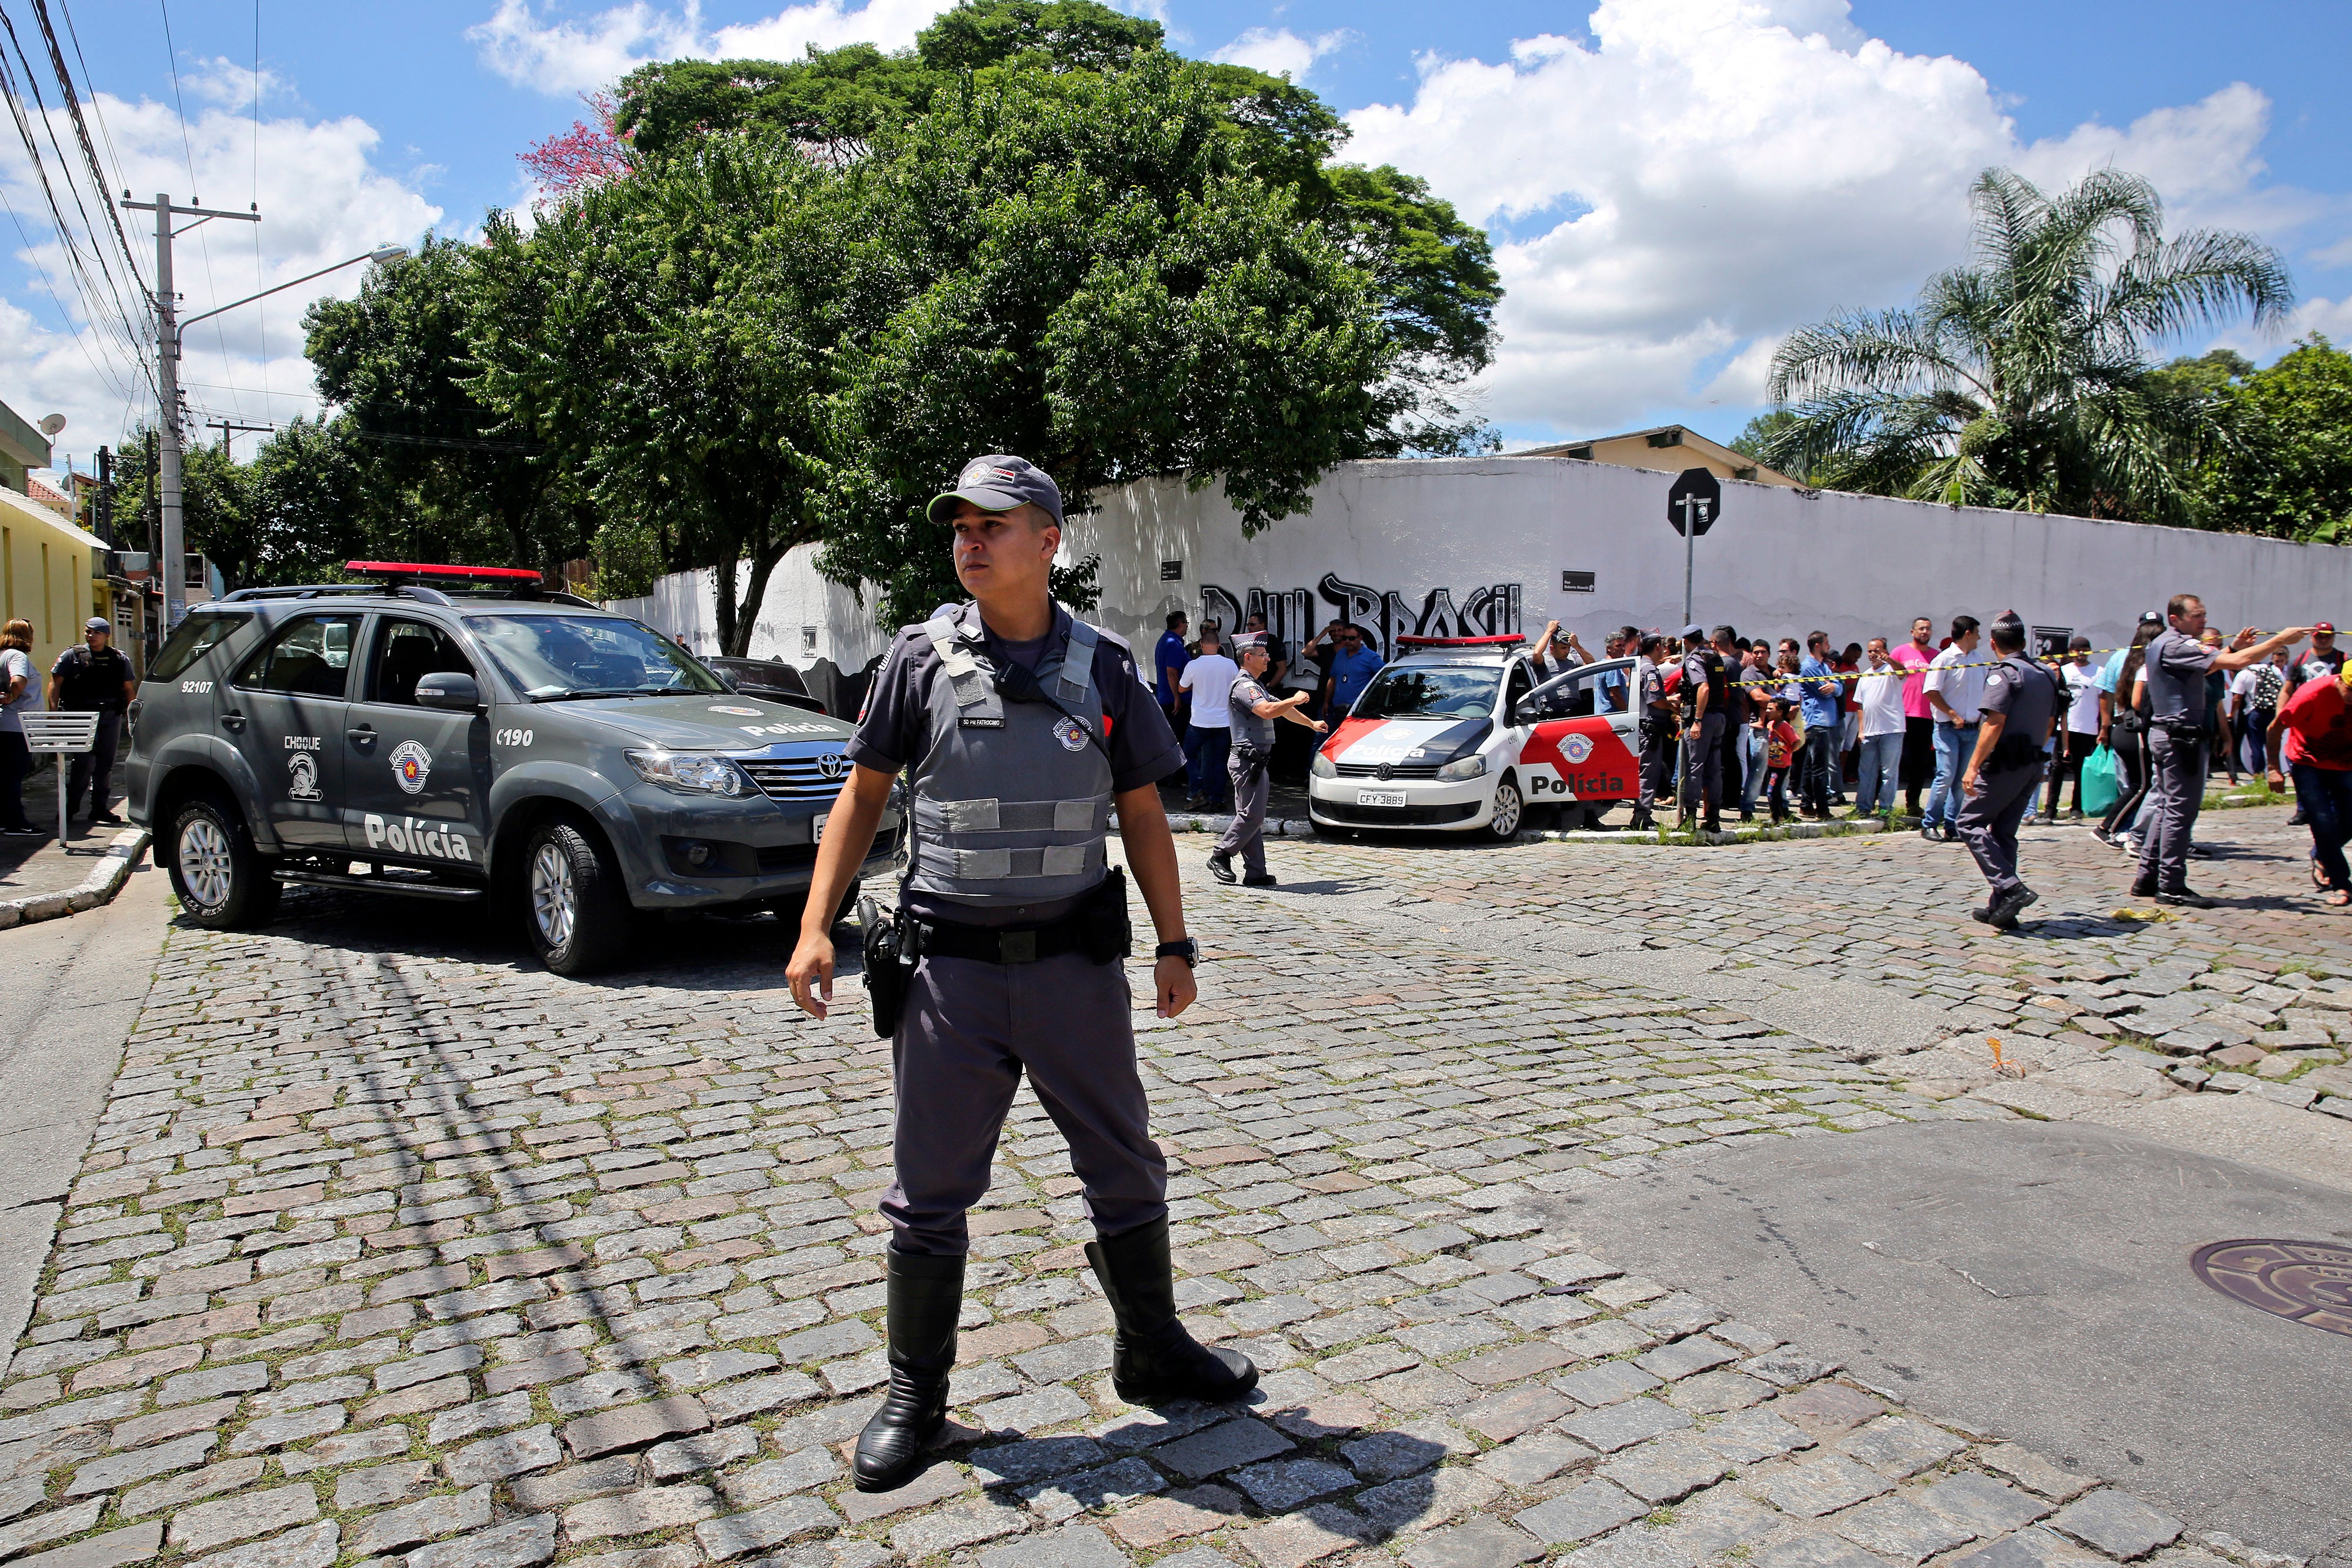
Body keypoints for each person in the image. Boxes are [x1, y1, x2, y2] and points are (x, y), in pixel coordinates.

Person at [784, 454, 1252, 1495]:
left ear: (1048, 540)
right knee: (928, 1189)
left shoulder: (1109, 666)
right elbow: (862, 796)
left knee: (1125, 1161)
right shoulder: (916, 661)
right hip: (949, 975)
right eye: (960, 524)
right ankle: (916, 1396)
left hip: (1075, 970)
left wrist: (1175, 943)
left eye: (992, 523)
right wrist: (816, 925)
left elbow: (1142, 811)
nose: (970, 540)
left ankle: (1153, 1345)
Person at [2129, 595, 2307, 907]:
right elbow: (2235, 665)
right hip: (2180, 738)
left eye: (2204, 615)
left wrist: (2234, 648)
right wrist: (2280, 640)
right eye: (2197, 615)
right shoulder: (2179, 644)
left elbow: (2209, 667)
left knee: (2167, 807)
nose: (2203, 620)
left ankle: (2148, 877)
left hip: (2170, 734)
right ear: (2175, 619)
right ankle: (2171, 884)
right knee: (2180, 811)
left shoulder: (2168, 644)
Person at [1957, 615, 2060, 928]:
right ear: (2024, 641)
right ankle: (2003, 908)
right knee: (2004, 832)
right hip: (2032, 763)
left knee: (1968, 823)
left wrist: (1973, 766)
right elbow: (2050, 722)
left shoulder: (2005, 673)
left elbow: (1994, 722)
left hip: (2004, 764)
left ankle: (2011, 888)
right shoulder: (2045, 673)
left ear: (1993, 643)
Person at [1210, 636, 1325, 887]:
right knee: (1253, 816)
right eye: (1263, 655)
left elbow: (1282, 709)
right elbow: (1266, 711)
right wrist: (1294, 699)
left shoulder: (1256, 685)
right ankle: (1221, 854)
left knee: (1250, 815)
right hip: (1247, 761)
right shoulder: (1244, 686)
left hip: (1254, 761)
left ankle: (1256, 873)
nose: (1268, 658)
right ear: (1248, 657)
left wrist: (1311, 724)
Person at [2267, 660, 2352, 907]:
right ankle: (2341, 883)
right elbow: (2275, 729)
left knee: (2349, 820)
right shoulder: (2311, 694)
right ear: (2340, 680)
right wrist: (2273, 769)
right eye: (2350, 690)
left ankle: (2321, 854)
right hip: (2307, 762)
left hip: (2345, 762)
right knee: (2322, 822)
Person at [48, 617, 135, 826]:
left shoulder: (118, 658)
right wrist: (53, 713)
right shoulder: (72, 656)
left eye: (96, 632)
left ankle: (99, 808)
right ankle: (71, 807)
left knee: (105, 764)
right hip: (80, 716)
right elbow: (55, 684)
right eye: (88, 632)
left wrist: (133, 716)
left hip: (110, 717)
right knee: (83, 763)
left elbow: (129, 689)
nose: (91, 636)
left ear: (107, 636)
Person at [1920, 616, 1985, 841]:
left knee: (1962, 781)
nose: (1979, 638)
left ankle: (1952, 825)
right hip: (1948, 728)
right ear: (1968, 634)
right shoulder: (1944, 659)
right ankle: (1929, 823)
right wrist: (1952, 714)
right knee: (1945, 776)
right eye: (1977, 633)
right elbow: (1931, 691)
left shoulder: (1978, 659)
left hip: (1973, 729)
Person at [2096, 619, 2159, 849]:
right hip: (2134, 730)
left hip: (2123, 727)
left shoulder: (2130, 662)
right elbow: (2135, 701)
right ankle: (2108, 828)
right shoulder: (2144, 667)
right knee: (2139, 786)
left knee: (2138, 785)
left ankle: (2127, 830)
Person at [2038, 636, 2103, 823]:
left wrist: (2103, 728)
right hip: (2064, 727)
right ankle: (2050, 809)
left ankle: (2077, 807)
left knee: (2081, 769)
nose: (2081, 653)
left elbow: (2104, 702)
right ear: (2071, 651)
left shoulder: (2099, 672)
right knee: (2057, 768)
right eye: (2077, 650)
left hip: (2087, 727)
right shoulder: (2064, 671)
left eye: (2085, 649)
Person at [1178, 628, 1238, 811]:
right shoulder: (1230, 665)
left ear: (1202, 645)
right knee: (1220, 761)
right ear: (1218, 646)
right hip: (1224, 721)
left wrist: (1196, 685)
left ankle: (1199, 790)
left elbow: (1182, 688)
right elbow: (1237, 687)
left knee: (1187, 755)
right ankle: (1217, 800)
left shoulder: (1193, 665)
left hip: (1200, 721)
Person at [1678, 624, 1728, 833]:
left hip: (1703, 720)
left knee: (1694, 768)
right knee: (1714, 770)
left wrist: (1697, 720)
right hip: (1718, 717)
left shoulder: (1695, 659)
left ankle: (1690, 819)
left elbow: (1704, 688)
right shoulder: (1714, 656)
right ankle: (1714, 817)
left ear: (1685, 641)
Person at [1889, 616, 1939, 816]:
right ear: (1913, 632)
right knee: (1893, 760)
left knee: (1920, 763)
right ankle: (1882, 803)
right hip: (1901, 714)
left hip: (1926, 716)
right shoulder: (1900, 652)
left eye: (1928, 629)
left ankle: (1913, 803)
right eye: (1921, 629)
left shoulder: (1936, 656)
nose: (1924, 632)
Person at [1853, 637, 1905, 817]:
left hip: (1892, 730)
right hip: (1869, 732)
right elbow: (1860, 705)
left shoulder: (1891, 670)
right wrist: (1861, 730)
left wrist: (1889, 659)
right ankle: (1863, 808)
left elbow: (1903, 672)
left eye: (1876, 650)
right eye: (1870, 651)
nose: (1872, 654)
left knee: (1889, 773)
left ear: (1885, 651)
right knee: (1866, 772)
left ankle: (1886, 809)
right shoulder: (1865, 675)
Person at [1, 619, 41, 837]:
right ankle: (16, 822)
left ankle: (5, 820)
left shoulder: (2, 655)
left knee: (5, 776)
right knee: (14, 776)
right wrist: (13, 696)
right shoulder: (17, 656)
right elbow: (18, 681)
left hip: (5, 724)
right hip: (17, 725)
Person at [1797, 631, 1843, 820]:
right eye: (1826, 643)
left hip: (1826, 721)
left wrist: (1834, 686)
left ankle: (1806, 805)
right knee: (1819, 768)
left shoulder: (1824, 666)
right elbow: (1823, 691)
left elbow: (1838, 687)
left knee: (1810, 766)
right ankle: (1822, 809)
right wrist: (1833, 687)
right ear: (1818, 645)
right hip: (1817, 721)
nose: (1828, 646)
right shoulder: (1809, 667)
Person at [1633, 634, 1670, 827]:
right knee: (1648, 773)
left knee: (1646, 771)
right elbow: (1655, 699)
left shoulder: (1641, 666)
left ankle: (1640, 815)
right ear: (1657, 646)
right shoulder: (1650, 670)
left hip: (1646, 728)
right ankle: (1642, 817)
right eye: (1662, 646)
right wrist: (1672, 705)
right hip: (1650, 729)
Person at [2234, 650, 2286, 779]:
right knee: (2273, 743)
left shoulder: (2244, 673)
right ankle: (2276, 772)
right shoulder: (2274, 670)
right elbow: (2284, 690)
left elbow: (2237, 698)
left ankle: (2259, 774)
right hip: (2273, 712)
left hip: (2254, 712)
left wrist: (2231, 714)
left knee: (2256, 745)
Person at [1321, 623, 1384, 723]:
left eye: (1351, 638)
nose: (1347, 641)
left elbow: (1384, 679)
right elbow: (1332, 680)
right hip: (1337, 711)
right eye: (1345, 638)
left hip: (1359, 712)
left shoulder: (1371, 657)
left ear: (1360, 638)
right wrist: (1326, 703)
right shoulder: (1340, 654)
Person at [1154, 611, 1190, 736]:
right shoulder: (1173, 644)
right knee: (1178, 737)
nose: (1187, 626)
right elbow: (1172, 673)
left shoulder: (1167, 640)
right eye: (1186, 623)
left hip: (1168, 697)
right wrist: (1177, 698)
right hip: (1174, 701)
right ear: (1180, 625)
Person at [1763, 698, 1799, 823]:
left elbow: (1796, 741)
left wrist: (1788, 753)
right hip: (1771, 764)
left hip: (1782, 766)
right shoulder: (1770, 724)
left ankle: (1775, 817)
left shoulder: (1784, 726)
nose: (1767, 711)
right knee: (1774, 791)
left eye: (1771, 709)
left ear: (1780, 712)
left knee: (1772, 791)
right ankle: (1780, 815)